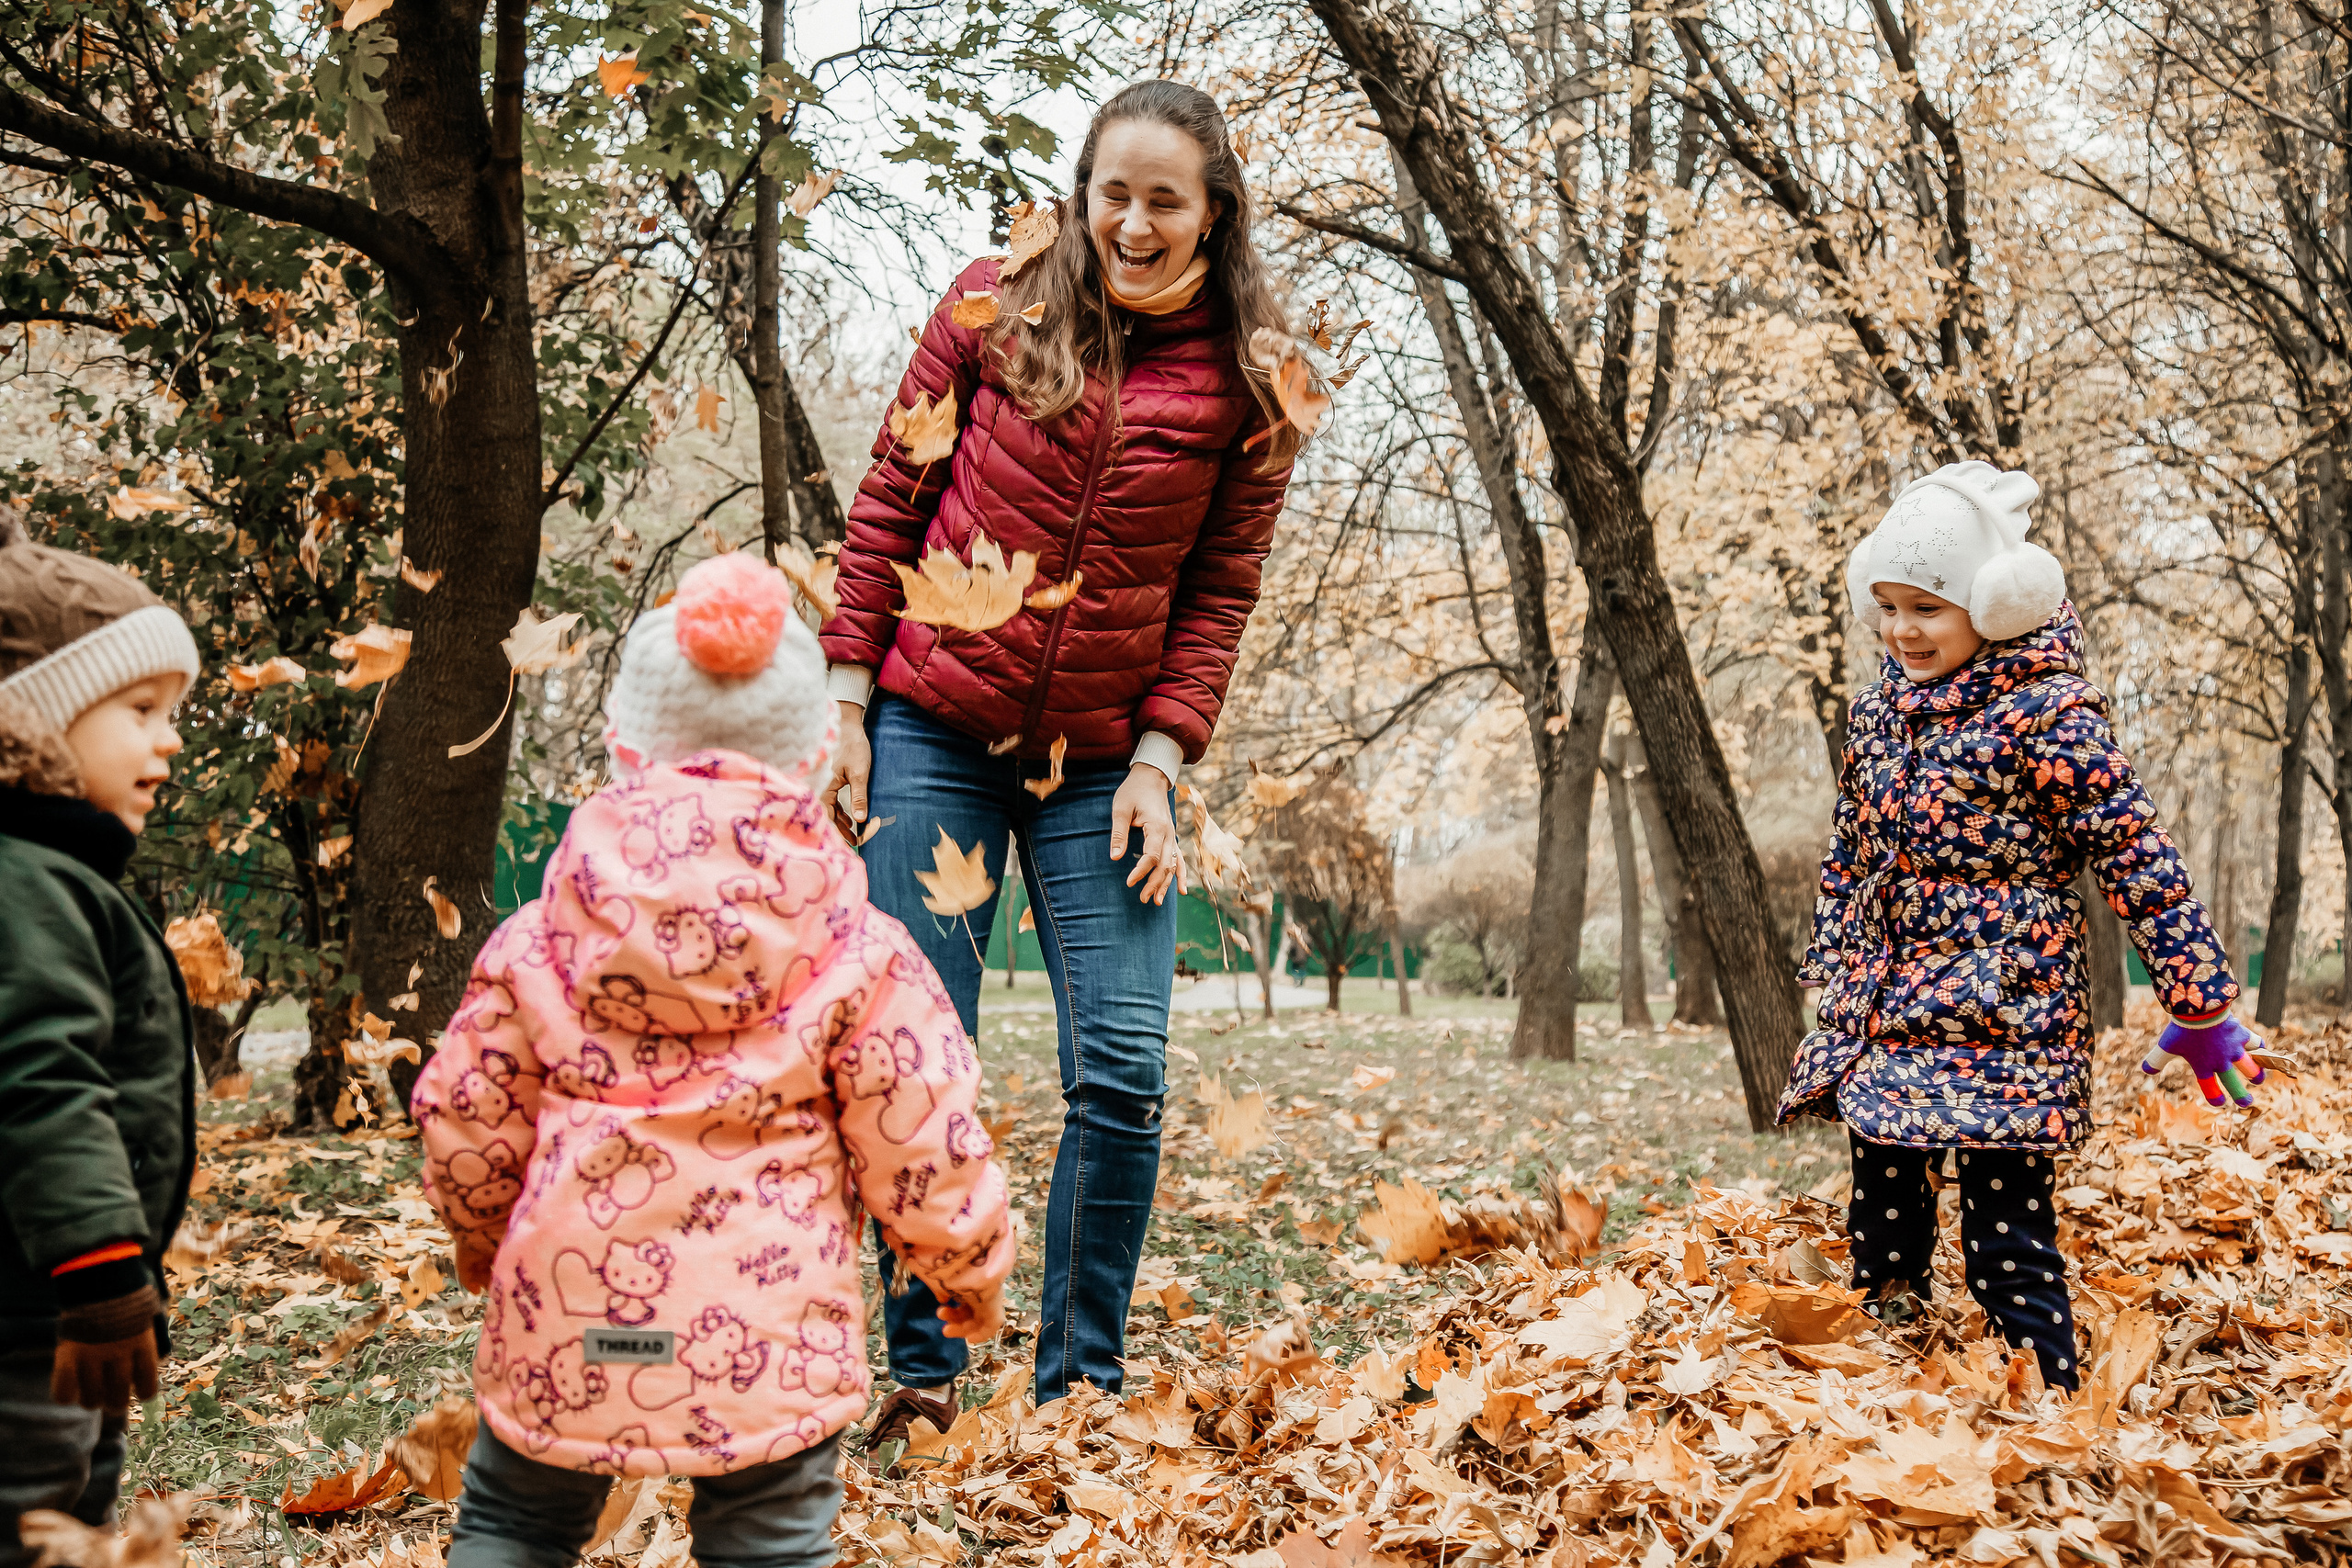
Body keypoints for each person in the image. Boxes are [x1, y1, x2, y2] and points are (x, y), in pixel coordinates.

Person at [819, 79, 1300, 1431]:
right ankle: (924, 1371)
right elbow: (888, 502)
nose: (1131, 223)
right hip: (934, 728)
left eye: (1164, 200)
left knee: (1127, 1066)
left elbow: (1219, 588)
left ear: (1213, 214)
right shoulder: (993, 306)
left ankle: (1081, 1380)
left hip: (1103, 761)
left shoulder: (1249, 381)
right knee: (920, 1054)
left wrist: (1161, 759)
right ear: (1081, 192)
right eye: (1112, 193)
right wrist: (847, 702)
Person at [412, 553, 1012, 1568]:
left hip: (567, 1311)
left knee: (514, 1526)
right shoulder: (861, 952)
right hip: (765, 1336)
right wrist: (965, 1271)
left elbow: (469, 1119)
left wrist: (480, 1239)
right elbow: (924, 1137)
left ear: (619, 750)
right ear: (824, 753)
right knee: (769, 1544)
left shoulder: (537, 940)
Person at [1781, 461, 2256, 1392]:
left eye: (1926, 608)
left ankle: (2047, 1400)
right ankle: (1887, 1371)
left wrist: (2196, 999)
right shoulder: (1878, 714)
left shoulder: (2047, 712)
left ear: (1992, 606)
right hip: (1896, 1003)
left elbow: (2131, 850)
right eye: (1887, 607)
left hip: (2008, 1011)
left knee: (2006, 1232)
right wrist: (1836, 969)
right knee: (1882, 1209)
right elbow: (1855, 849)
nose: (1901, 630)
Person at [0, 509, 202, 1568]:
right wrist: (99, 1269)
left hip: (47, 1298)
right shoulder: (21, 884)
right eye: (139, 708)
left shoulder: (52, 875)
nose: (170, 738)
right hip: (31, 1302)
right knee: (31, 1514)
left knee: (74, 1498)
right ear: (31, 725)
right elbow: (39, 1077)